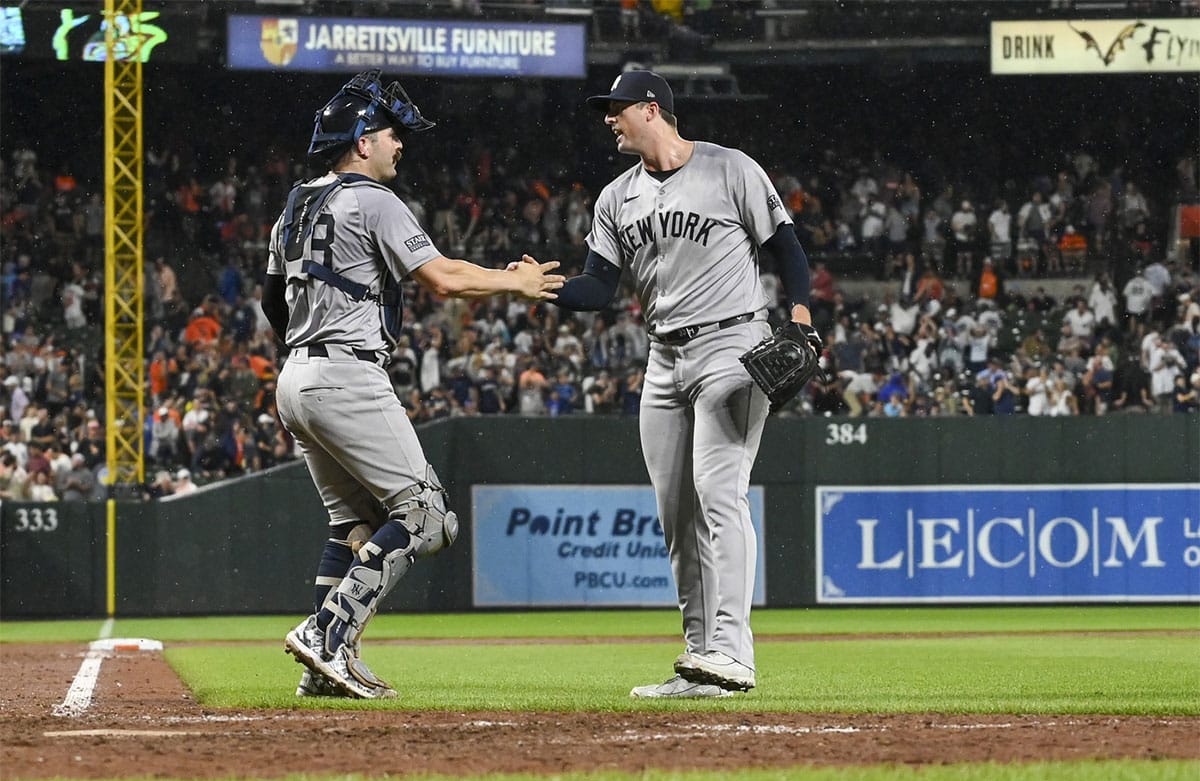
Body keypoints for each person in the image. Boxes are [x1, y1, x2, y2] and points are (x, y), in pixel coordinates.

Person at [262, 71, 563, 700]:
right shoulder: (371, 198)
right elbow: (445, 278)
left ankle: (321, 675)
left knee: (354, 525)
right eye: (393, 134)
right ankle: (325, 635)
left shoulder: (294, 203)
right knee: (426, 517)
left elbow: (272, 304)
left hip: (296, 375)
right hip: (346, 372)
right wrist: (518, 283)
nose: (401, 145)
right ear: (363, 139)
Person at [538, 70, 815, 698]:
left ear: (652, 109)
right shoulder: (616, 198)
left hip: (733, 346)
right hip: (663, 359)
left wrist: (798, 318)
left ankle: (733, 651)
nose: (608, 119)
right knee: (676, 516)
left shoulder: (729, 168)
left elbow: (787, 249)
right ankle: (699, 661)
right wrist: (545, 287)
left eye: (617, 109)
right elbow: (597, 289)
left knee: (720, 494)